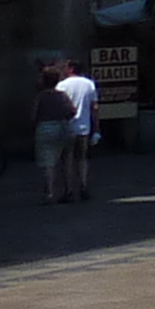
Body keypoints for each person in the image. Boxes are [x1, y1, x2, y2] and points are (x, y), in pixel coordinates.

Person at [55, 54, 101, 204]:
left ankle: (68, 190)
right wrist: (96, 129)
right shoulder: (89, 84)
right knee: (82, 159)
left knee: (67, 159)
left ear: (71, 69)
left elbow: (59, 107)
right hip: (84, 127)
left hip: (66, 127)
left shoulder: (62, 85)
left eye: (66, 67)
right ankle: (83, 185)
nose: (63, 69)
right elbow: (94, 107)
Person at [32, 59, 71, 203]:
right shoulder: (62, 95)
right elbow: (71, 110)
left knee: (48, 162)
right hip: (63, 126)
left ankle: (50, 192)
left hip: (46, 127)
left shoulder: (41, 97)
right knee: (65, 159)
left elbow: (33, 115)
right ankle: (68, 189)